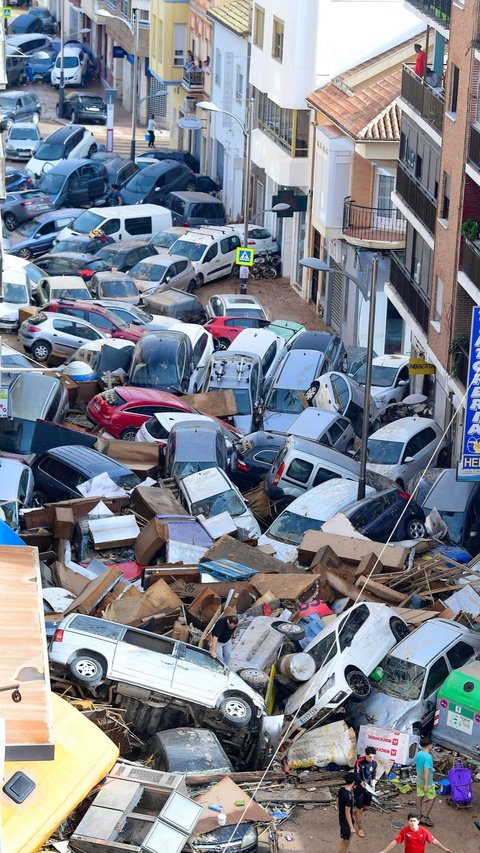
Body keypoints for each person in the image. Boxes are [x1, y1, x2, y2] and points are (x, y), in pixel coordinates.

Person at [378, 812, 453, 853]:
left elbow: (434, 841)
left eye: (414, 821)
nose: (412, 823)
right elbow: (395, 842)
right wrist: (384, 851)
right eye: (411, 821)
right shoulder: (404, 831)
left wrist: (445, 849)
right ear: (408, 821)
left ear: (418, 822)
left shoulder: (424, 831)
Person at [353, 745, 377, 837]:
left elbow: (373, 775)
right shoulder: (359, 762)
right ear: (366, 755)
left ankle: (356, 813)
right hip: (359, 787)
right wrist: (361, 782)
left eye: (373, 757)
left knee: (366, 807)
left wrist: (373, 786)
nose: (371, 759)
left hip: (368, 787)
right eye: (370, 757)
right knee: (359, 808)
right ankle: (360, 828)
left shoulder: (374, 763)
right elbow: (356, 774)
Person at [416, 738, 436, 826]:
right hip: (427, 782)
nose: (432, 746)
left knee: (419, 797)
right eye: (432, 745)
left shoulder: (419, 753)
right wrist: (427, 784)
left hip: (419, 779)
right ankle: (425, 817)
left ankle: (418, 815)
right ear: (429, 745)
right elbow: (426, 769)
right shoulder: (428, 756)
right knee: (432, 798)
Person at [337, 771, 356, 853]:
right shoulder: (349, 796)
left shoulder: (341, 789)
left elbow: (337, 800)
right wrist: (351, 827)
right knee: (345, 840)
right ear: (354, 782)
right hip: (346, 820)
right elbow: (347, 812)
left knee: (345, 838)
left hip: (341, 816)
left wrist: (339, 809)